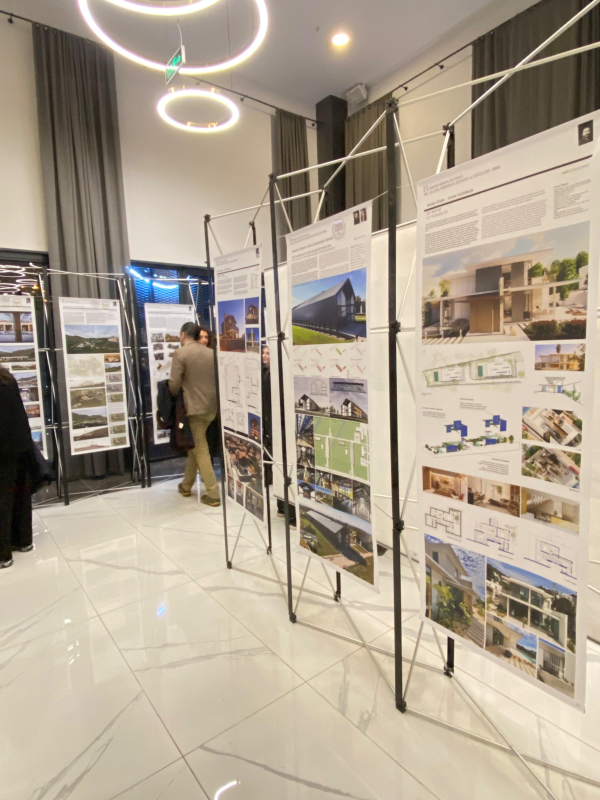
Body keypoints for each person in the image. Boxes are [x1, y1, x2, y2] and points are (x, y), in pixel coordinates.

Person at [169, 321, 220, 506]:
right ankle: (186, 485)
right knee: (196, 446)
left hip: (193, 409)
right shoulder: (211, 353)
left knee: (201, 449)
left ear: (183, 334)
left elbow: (174, 385)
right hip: (211, 408)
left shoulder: (180, 353)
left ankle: (213, 493)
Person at [0, 366, 35, 568]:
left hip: (3, 450)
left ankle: (3, 554)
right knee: (21, 494)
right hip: (20, 446)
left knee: (2, 500)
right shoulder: (7, 378)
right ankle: (23, 540)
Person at [261, 344, 296, 527]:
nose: (264, 356)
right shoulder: (265, 374)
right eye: (264, 353)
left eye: (268, 353)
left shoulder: (277, 376)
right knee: (279, 467)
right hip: (271, 427)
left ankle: (289, 509)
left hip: (279, 427)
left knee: (285, 466)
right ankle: (282, 506)